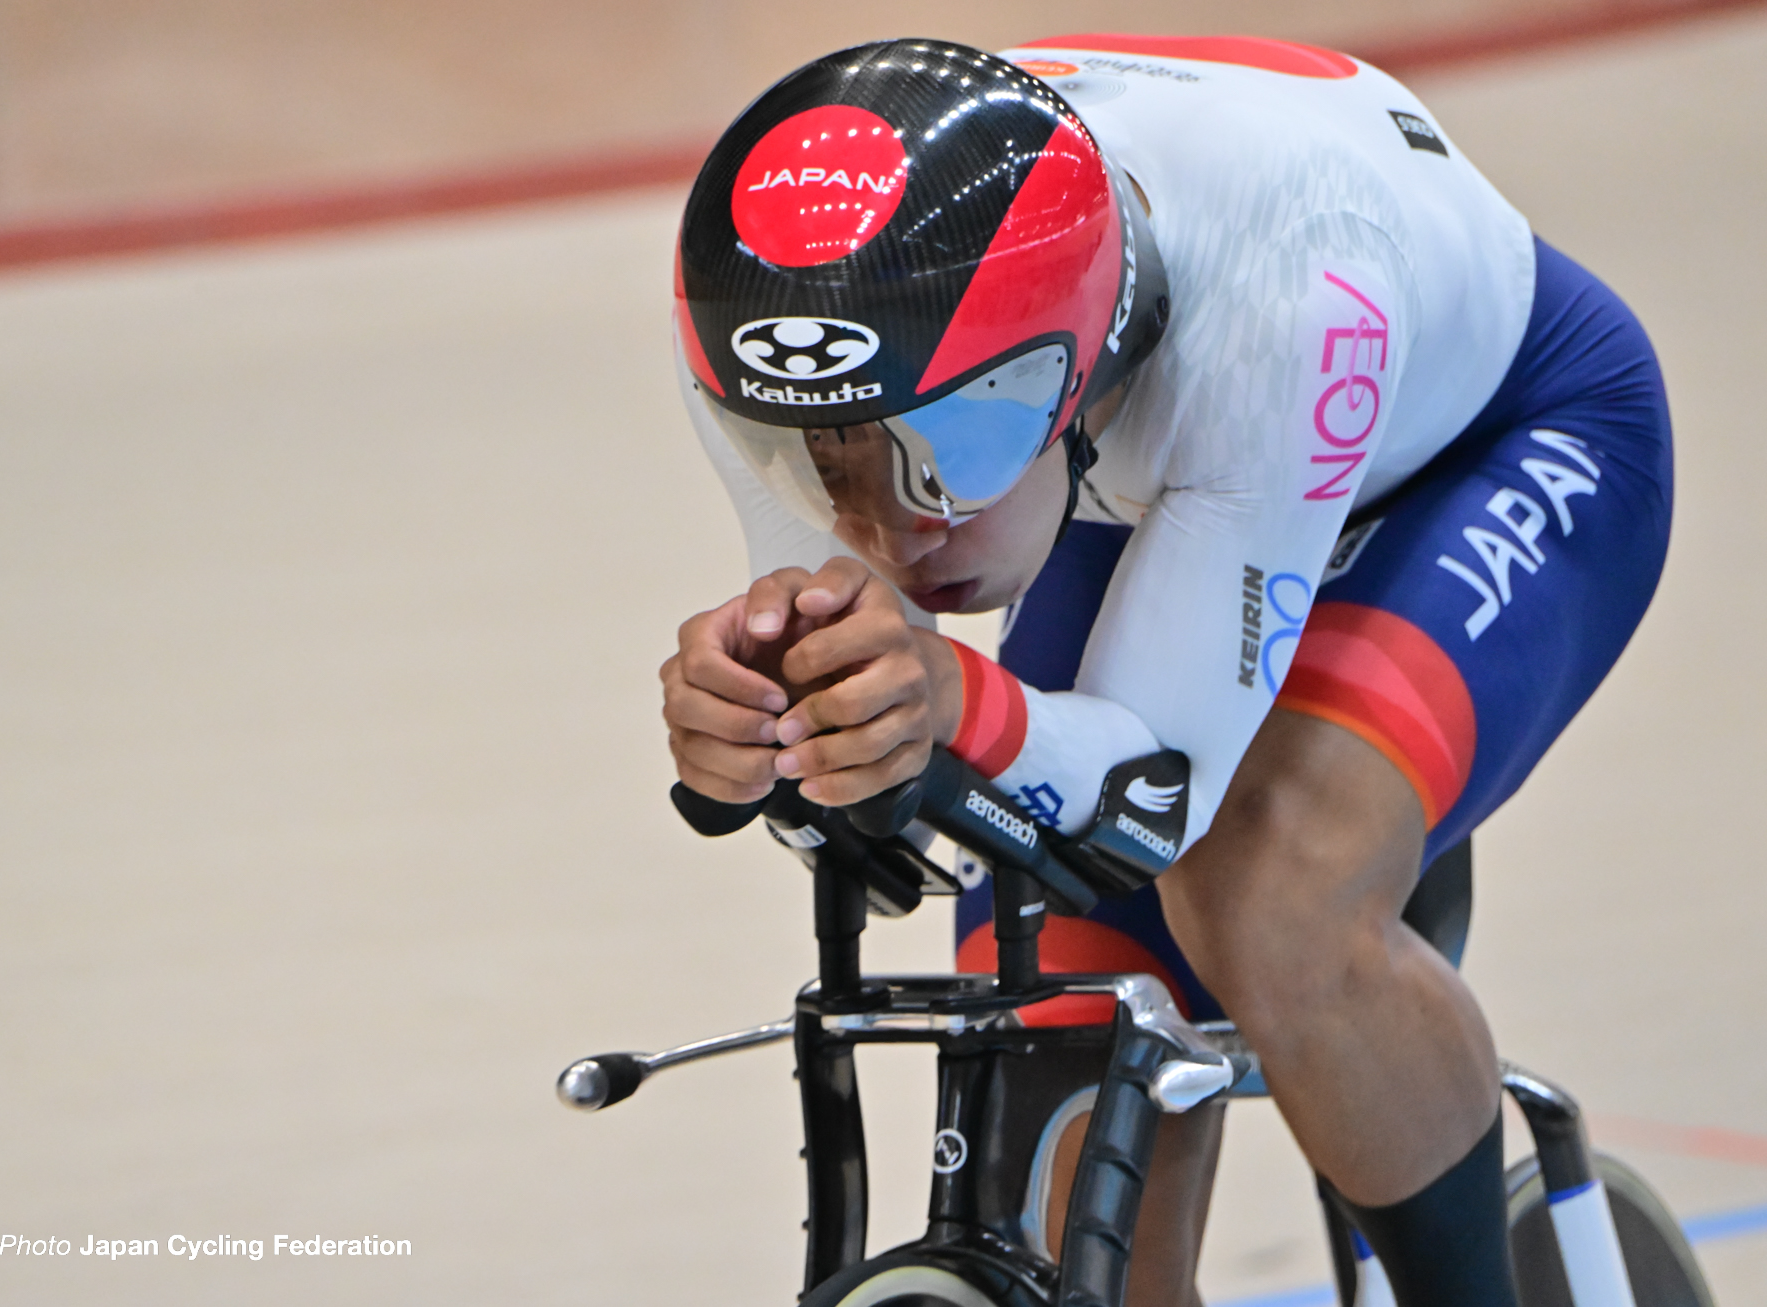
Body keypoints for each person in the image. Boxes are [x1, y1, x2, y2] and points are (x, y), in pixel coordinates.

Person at [661, 33, 1671, 1307]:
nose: (889, 532)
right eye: (823, 457)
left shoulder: (1282, 290)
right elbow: (867, 725)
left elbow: (1154, 791)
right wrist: (756, 727)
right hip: (1154, 484)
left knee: (1262, 880)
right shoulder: (783, 318)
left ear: (1076, 361)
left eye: (949, 447)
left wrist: (952, 702)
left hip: (1493, 438)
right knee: (1059, 1019)